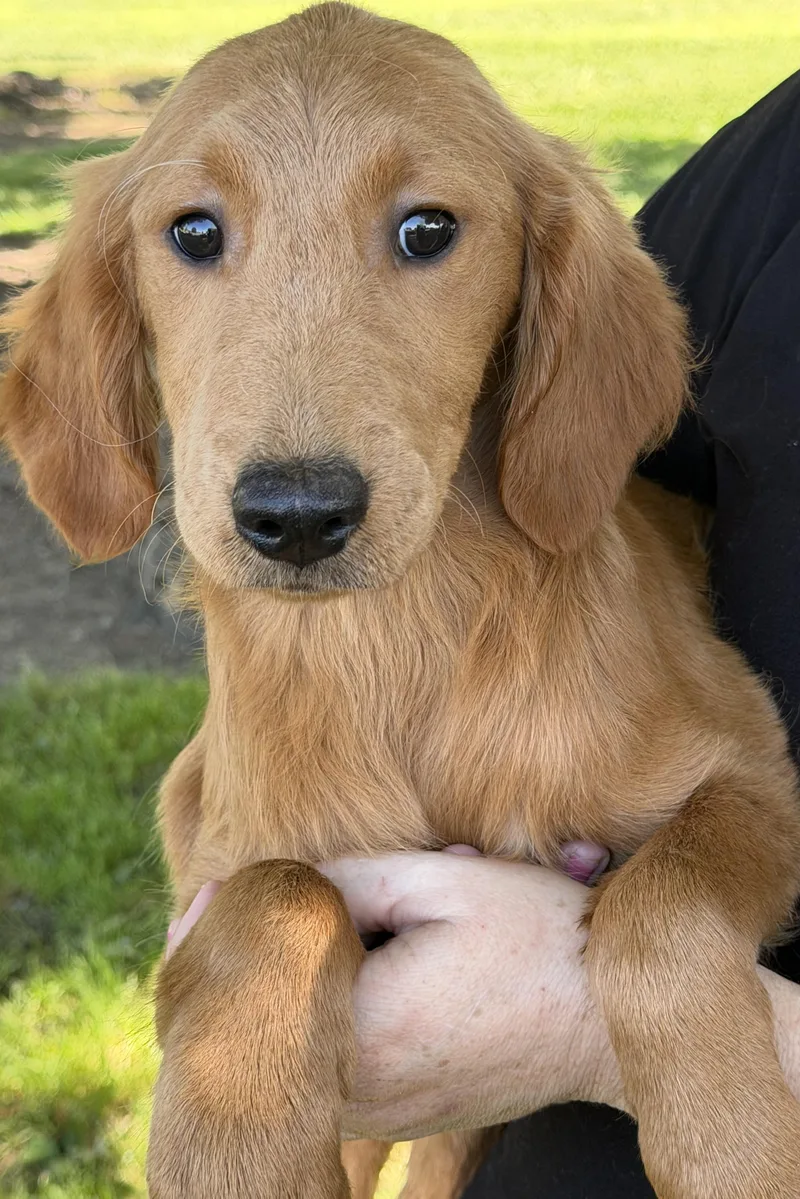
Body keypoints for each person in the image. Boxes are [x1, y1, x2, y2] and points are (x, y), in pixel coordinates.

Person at [168, 71, 800, 1196]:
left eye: (424, 232)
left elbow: (732, 786)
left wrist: (604, 1013)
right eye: (196, 233)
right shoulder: (771, 173)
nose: (299, 470)